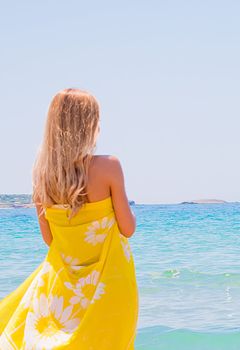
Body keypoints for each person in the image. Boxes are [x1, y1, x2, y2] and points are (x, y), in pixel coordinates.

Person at [0, 88, 139, 349]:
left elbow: (49, 239)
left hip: (63, 285)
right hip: (110, 281)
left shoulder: (42, 178)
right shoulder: (109, 166)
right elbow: (127, 228)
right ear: (90, 125)